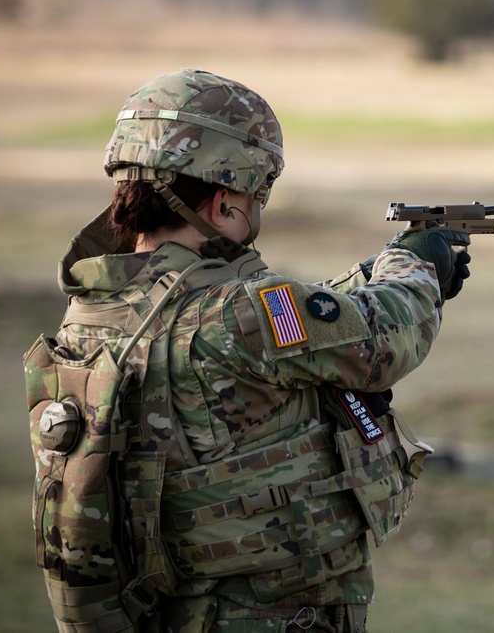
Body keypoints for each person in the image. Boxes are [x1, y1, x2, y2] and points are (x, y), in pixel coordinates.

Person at [29, 68, 471, 633]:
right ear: (222, 202)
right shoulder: (238, 314)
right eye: (254, 195)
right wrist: (418, 263)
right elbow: (388, 335)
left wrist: (367, 273)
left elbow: (286, 330)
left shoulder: (94, 315)